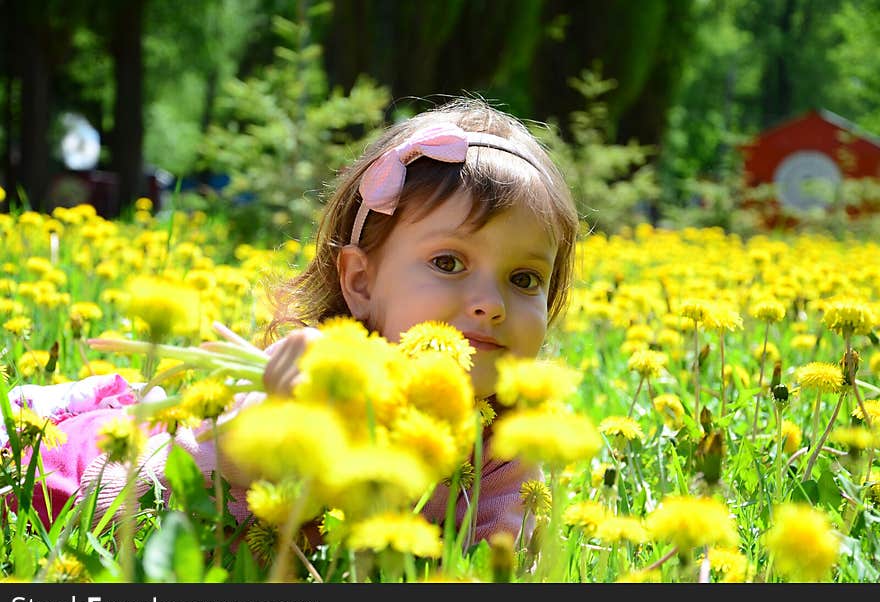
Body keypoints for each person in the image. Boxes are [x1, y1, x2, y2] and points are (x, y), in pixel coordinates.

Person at [6, 97, 579, 547]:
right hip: (106, 477)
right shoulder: (312, 377)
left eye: (525, 279)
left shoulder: (510, 446)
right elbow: (141, 507)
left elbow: (497, 563)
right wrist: (263, 436)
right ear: (359, 283)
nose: (493, 303)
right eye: (449, 263)